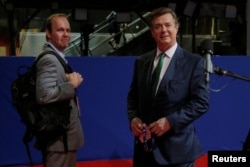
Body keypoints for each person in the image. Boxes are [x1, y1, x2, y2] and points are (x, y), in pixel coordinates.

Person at [127, 7, 209, 167]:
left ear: (176, 28)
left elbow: (201, 102)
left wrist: (171, 121)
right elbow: (133, 97)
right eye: (158, 26)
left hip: (177, 153)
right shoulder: (141, 62)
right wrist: (133, 118)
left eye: (168, 25)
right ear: (152, 32)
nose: (163, 30)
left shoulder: (193, 62)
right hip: (145, 151)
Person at [35, 13, 84, 167]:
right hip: (58, 141)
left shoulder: (56, 57)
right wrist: (71, 86)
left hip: (63, 140)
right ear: (48, 34)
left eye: (68, 30)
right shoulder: (49, 59)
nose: (66, 34)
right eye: (60, 30)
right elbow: (43, 95)